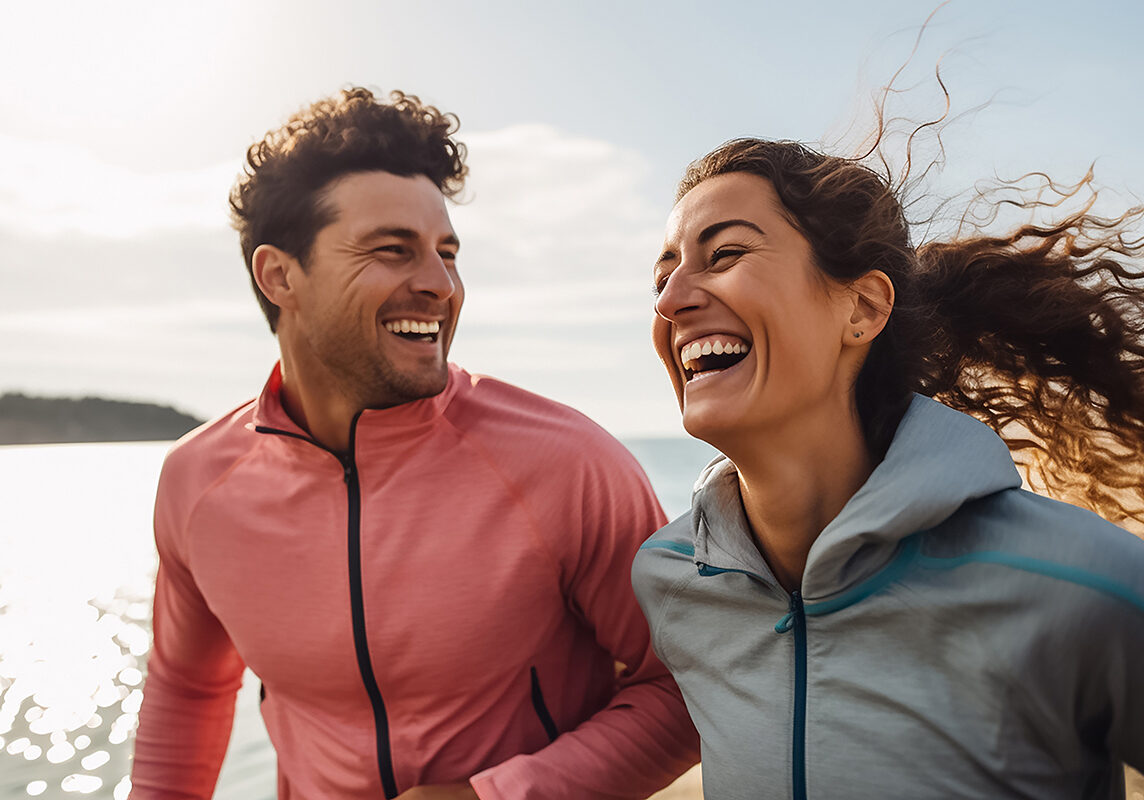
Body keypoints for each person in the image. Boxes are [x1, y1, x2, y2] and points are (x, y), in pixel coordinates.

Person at [129, 87, 698, 800]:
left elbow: (685, 689)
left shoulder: (568, 464)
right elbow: (186, 692)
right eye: (393, 251)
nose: (440, 285)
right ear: (280, 276)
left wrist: (491, 798)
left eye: (447, 252)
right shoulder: (196, 483)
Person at [632, 136, 1144, 798]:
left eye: (725, 254)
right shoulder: (672, 580)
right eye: (660, 277)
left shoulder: (1079, 584)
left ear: (863, 308)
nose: (670, 300)